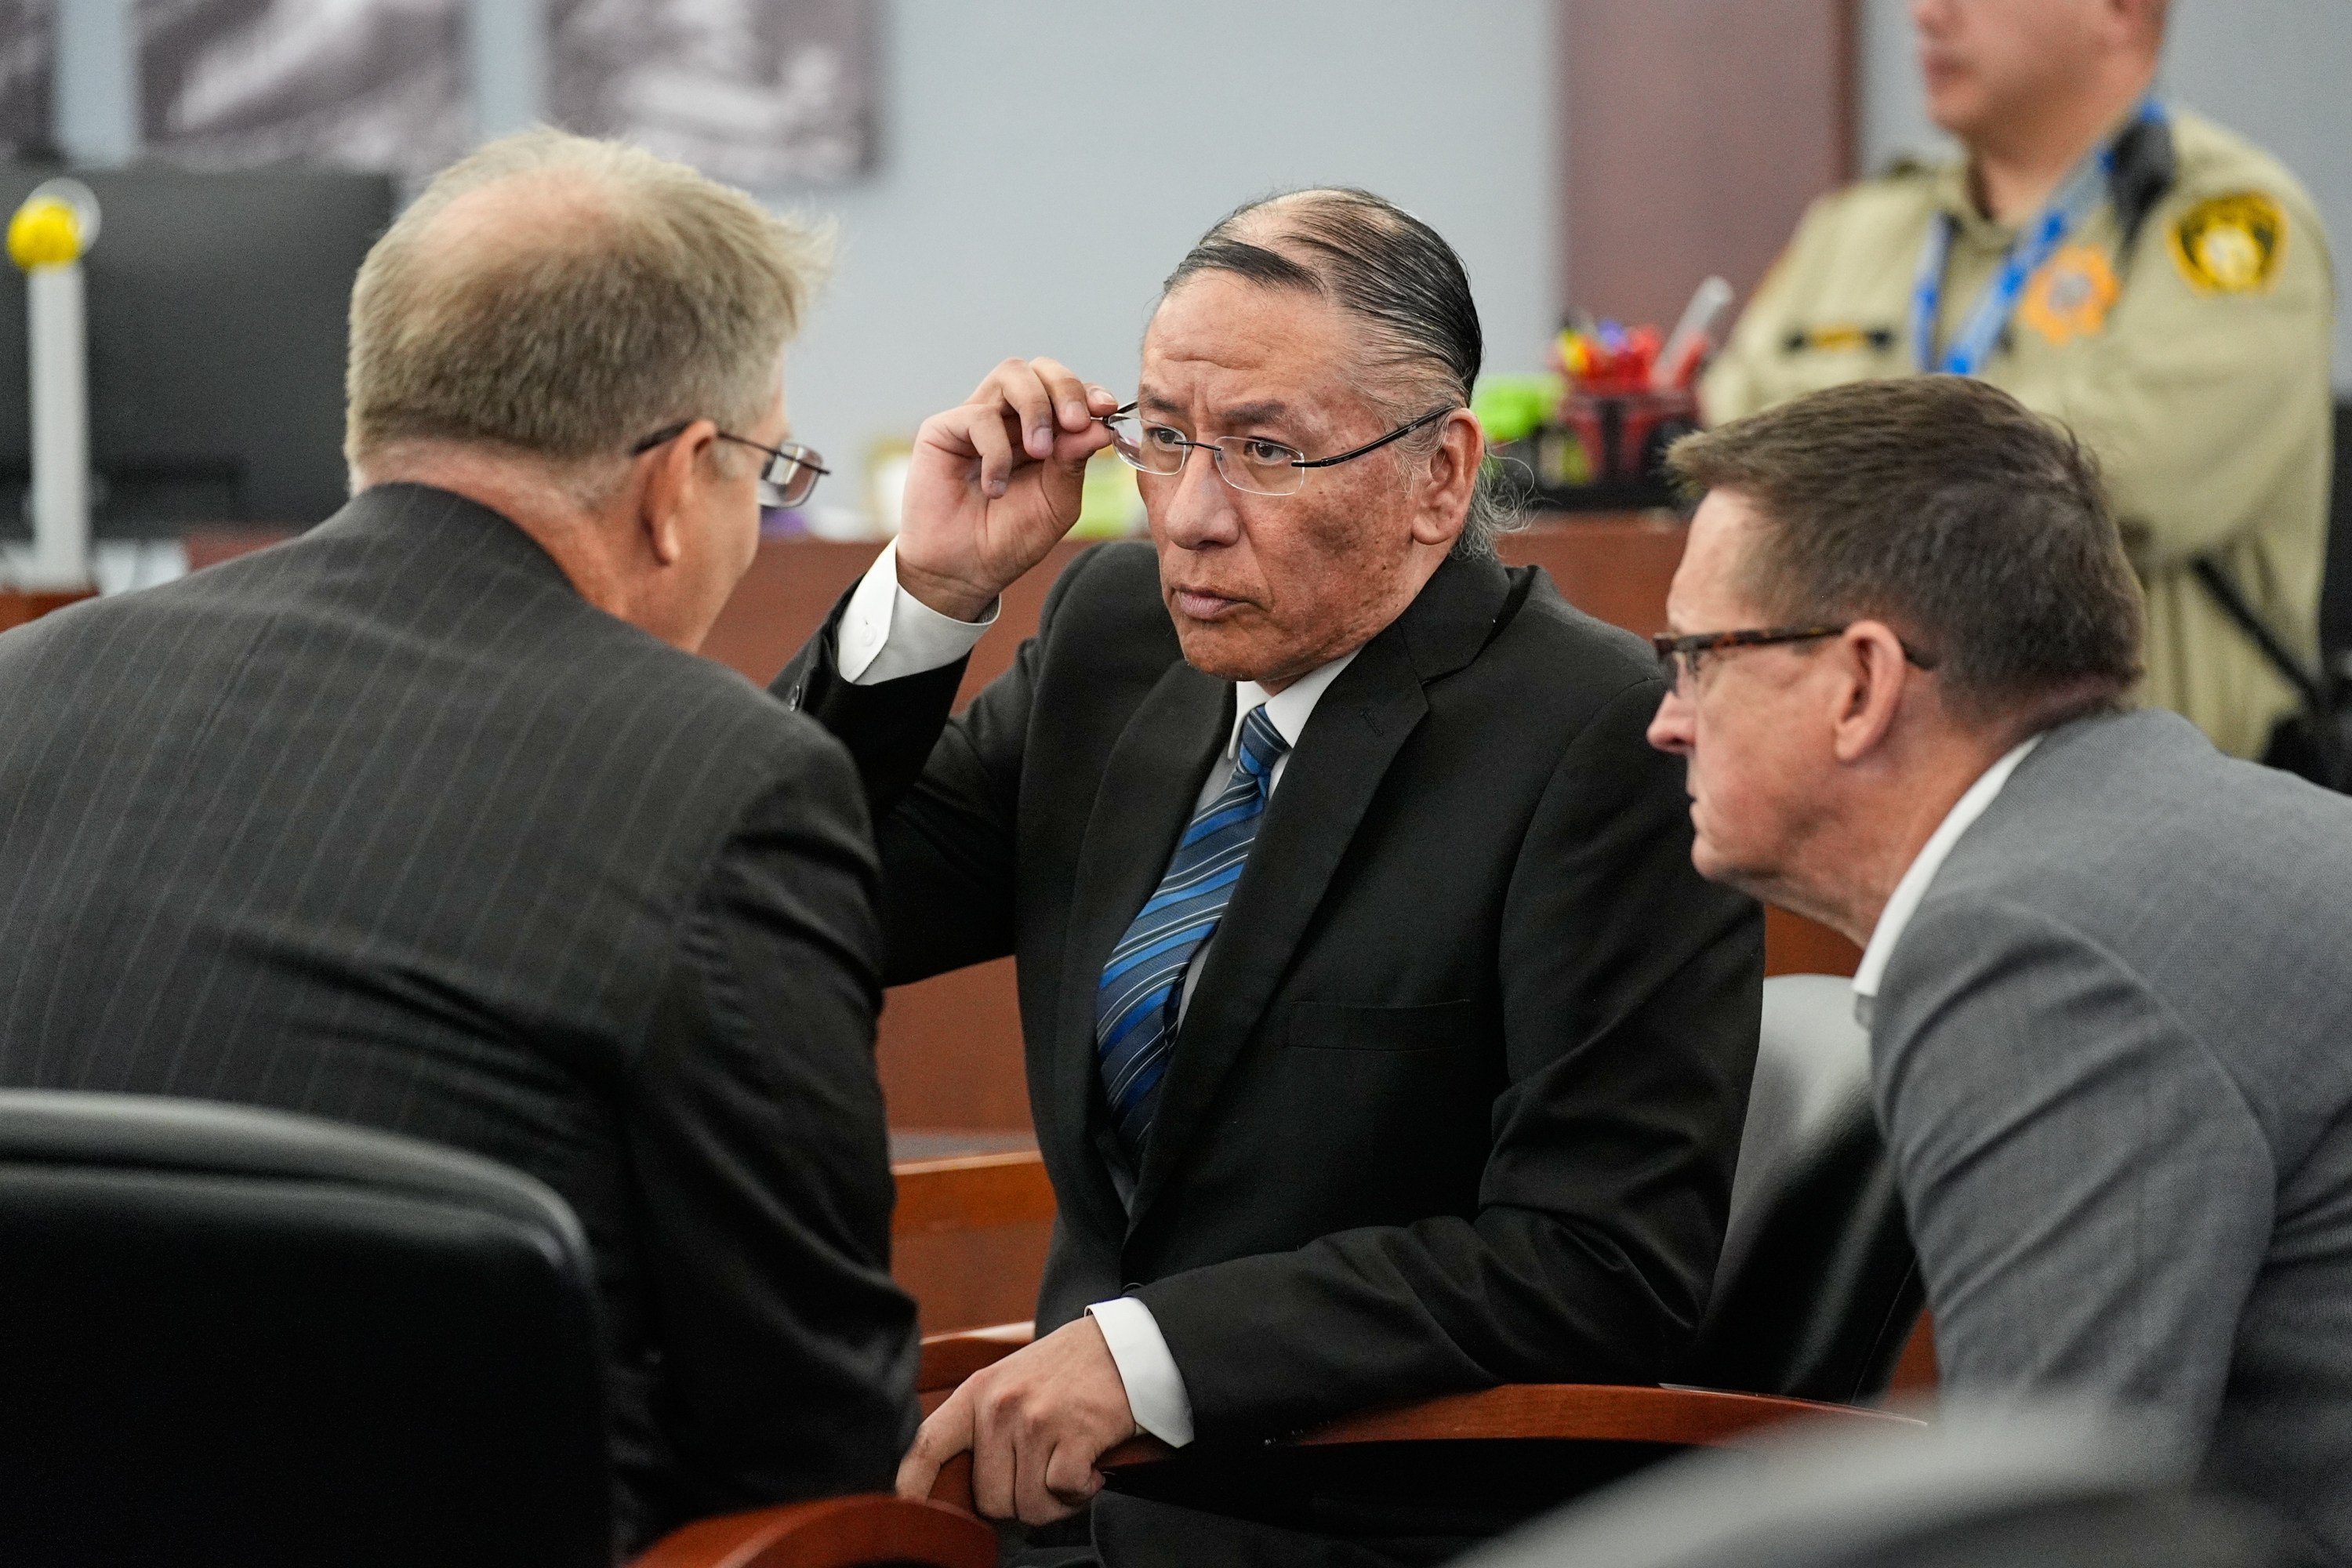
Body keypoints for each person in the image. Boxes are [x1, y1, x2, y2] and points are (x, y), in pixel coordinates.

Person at [775, 188, 1764, 1563]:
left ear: (1440, 475)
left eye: (1263, 451)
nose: (1189, 515)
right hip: (1060, 1518)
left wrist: (1150, 1357)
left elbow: (1595, 1265)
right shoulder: (1119, 638)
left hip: (1363, 1522)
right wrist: (930, 594)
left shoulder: (1600, 741)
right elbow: (795, 899)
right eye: (1165, 437)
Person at [0, 129, 915, 1550]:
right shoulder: (724, 779)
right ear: (678, 483)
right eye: (767, 468)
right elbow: (807, 1423)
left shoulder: (30, 688)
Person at [1646, 375, 2352, 1561]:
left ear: (1861, 683)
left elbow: (2058, 1528)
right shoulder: (2142, 825)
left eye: (1696, 657)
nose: (1667, 719)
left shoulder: (2032, 947)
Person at [1704, 0, 2337, 760]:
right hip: (1865, 785)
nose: (1926, 13)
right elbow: (1727, 457)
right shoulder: (1854, 230)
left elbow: (2116, 479)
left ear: (2120, 11)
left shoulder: (2225, 224)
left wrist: (1829, 480)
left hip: (2136, 792)